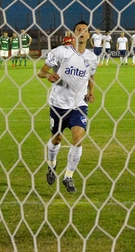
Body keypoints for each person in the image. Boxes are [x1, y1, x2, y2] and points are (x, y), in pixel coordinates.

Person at [37, 20, 97, 194]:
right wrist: (48, 75)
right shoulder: (61, 52)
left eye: (84, 30)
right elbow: (41, 72)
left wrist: (91, 92)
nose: (81, 32)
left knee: (78, 139)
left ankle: (68, 176)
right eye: (78, 30)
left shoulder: (92, 57)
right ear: (73, 33)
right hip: (59, 104)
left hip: (79, 105)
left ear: (88, 35)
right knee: (56, 139)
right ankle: (52, 165)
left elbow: (91, 77)